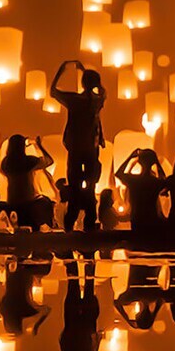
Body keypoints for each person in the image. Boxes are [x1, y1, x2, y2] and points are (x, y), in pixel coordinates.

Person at [53, 61, 107, 231]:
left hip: (76, 149)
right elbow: (102, 90)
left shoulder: (75, 100)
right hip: (91, 149)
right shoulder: (97, 101)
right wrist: (85, 73)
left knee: (75, 191)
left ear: (83, 83)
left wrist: (61, 71)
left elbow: (53, 92)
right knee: (90, 189)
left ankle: (70, 229)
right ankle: (89, 227)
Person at [0, 135, 55, 230]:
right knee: (46, 203)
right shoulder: (28, 161)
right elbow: (49, 161)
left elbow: (2, 172)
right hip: (28, 202)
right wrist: (39, 146)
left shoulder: (6, 163)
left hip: (12, 201)